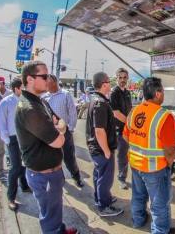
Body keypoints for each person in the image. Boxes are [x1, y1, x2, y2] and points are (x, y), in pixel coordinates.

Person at [15, 61, 77, 234]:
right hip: (44, 175)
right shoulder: (30, 108)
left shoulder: (41, 102)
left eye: (48, 75)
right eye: (44, 76)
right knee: (49, 213)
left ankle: (59, 229)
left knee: (54, 210)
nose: (48, 79)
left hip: (51, 172)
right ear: (30, 79)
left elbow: (61, 120)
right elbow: (58, 141)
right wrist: (59, 129)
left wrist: (59, 127)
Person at [123, 77, 175, 234]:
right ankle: (160, 230)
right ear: (158, 93)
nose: (163, 94)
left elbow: (126, 136)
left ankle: (138, 220)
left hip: (135, 165)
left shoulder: (133, 111)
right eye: (162, 90)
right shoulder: (164, 116)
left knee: (138, 196)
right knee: (159, 204)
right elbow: (169, 150)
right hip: (155, 169)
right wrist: (169, 164)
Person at [86, 72, 123, 217]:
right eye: (109, 81)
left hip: (96, 148)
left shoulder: (96, 99)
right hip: (101, 149)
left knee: (99, 175)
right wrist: (107, 150)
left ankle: (101, 198)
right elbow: (99, 130)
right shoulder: (100, 103)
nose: (111, 84)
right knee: (105, 179)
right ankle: (104, 206)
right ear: (104, 84)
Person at [0, 77, 31, 211]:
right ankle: (11, 197)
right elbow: (0, 124)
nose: (25, 89)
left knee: (24, 163)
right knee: (15, 168)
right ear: (17, 88)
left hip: (25, 138)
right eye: (23, 87)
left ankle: (25, 185)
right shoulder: (6, 102)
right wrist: (7, 140)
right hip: (12, 139)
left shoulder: (25, 101)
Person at [43, 74, 84, 188]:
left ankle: (76, 177)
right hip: (50, 133)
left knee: (69, 157)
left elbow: (72, 113)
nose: (46, 85)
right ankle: (59, 179)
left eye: (49, 82)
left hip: (65, 132)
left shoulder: (65, 95)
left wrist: (70, 129)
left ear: (55, 82)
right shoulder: (44, 97)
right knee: (53, 158)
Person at [110, 68, 133, 190]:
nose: (123, 80)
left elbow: (129, 109)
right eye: (120, 77)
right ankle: (121, 178)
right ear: (116, 78)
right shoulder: (114, 93)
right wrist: (130, 124)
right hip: (120, 130)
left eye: (125, 77)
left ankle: (124, 175)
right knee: (122, 155)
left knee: (128, 154)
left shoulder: (127, 93)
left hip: (128, 129)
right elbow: (116, 113)